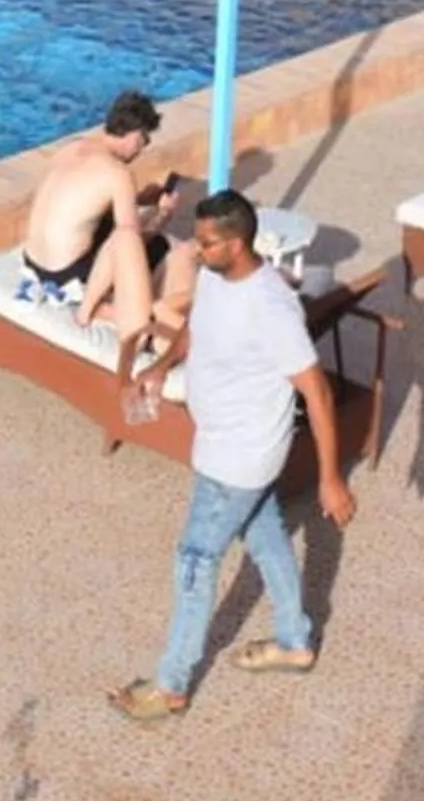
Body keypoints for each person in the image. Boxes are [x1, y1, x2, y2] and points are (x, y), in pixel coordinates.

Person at [108, 190, 357, 724]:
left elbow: (317, 391)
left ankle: (172, 684)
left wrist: (330, 478)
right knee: (265, 538)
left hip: (238, 457)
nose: (196, 251)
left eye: (206, 243)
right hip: (228, 446)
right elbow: (198, 327)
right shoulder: (215, 277)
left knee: (194, 561)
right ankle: (295, 640)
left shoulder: (272, 307)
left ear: (238, 243)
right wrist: (161, 368)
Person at [20, 89, 185, 344]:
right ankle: (115, 309)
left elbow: (83, 200)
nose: (143, 149)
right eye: (145, 140)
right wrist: (163, 214)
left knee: (110, 226)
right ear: (134, 135)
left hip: (32, 262)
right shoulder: (117, 173)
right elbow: (129, 246)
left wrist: (139, 198)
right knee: (155, 246)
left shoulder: (71, 148)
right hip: (65, 274)